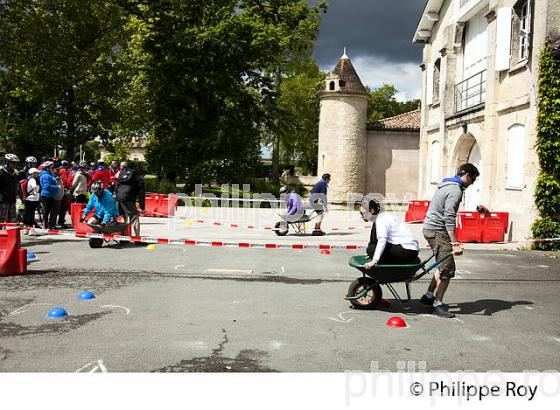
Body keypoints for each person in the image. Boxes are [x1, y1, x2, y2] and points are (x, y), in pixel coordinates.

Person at [420, 163, 480, 318]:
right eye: (472, 180)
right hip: (438, 231)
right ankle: (437, 303)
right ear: (467, 175)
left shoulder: (445, 185)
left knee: (442, 265)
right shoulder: (455, 190)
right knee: (448, 269)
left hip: (431, 229)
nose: (471, 183)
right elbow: (449, 218)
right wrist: (455, 243)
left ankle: (428, 296)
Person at [360, 198, 419, 268]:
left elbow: (382, 241)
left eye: (362, 213)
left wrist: (374, 260)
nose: (361, 216)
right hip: (410, 250)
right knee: (372, 249)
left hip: (407, 251)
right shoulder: (382, 216)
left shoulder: (380, 219)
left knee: (371, 249)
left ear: (371, 211)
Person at [115, 163, 145, 236]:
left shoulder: (124, 174)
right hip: (127, 198)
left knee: (124, 217)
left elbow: (116, 186)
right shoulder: (139, 178)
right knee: (135, 217)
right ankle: (137, 238)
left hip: (118, 198)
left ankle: (123, 237)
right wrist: (142, 207)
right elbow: (141, 194)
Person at [0, 153, 20, 224]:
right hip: (3, 200)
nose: (15, 165)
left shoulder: (15, 172)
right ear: (7, 162)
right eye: (13, 163)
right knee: (2, 219)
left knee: (12, 220)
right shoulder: (1, 171)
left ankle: (10, 235)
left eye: (16, 163)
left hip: (12, 199)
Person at [39, 162, 59, 229]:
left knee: (51, 211)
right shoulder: (45, 175)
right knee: (46, 211)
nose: (53, 169)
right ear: (46, 168)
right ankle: (45, 225)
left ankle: (50, 225)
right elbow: (46, 186)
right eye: (51, 168)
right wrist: (56, 187)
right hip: (47, 195)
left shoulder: (50, 175)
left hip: (51, 195)